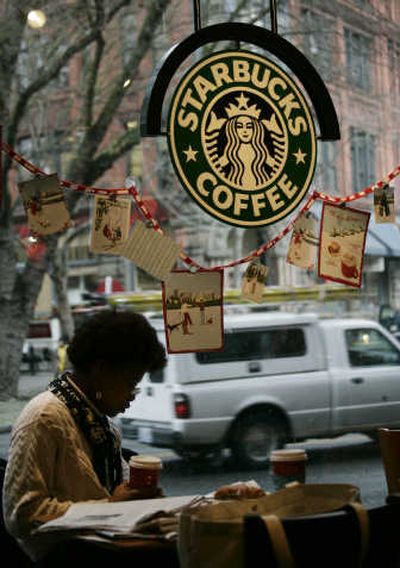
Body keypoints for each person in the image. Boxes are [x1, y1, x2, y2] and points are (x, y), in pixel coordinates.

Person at [2, 310, 167, 566]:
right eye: (129, 382)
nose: (132, 395)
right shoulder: (45, 418)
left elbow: (120, 493)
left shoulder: (102, 426)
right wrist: (109, 506)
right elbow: (22, 515)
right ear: (101, 369)